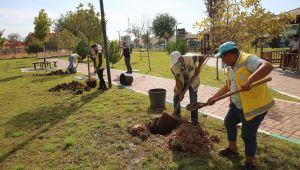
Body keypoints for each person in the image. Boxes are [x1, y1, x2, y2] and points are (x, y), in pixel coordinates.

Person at [207, 42, 274, 169]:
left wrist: (249, 81)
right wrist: (214, 98)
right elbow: (228, 85)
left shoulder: (247, 59)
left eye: (223, 57)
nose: (222, 60)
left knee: (247, 135)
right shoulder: (230, 67)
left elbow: (268, 66)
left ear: (231, 55)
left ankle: (250, 163)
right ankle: (233, 149)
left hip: (254, 106)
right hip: (238, 105)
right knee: (229, 122)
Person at [170, 51, 204, 126]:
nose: (177, 63)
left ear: (181, 57)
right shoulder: (173, 67)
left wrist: (198, 68)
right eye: (175, 62)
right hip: (182, 82)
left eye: (178, 60)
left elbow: (202, 57)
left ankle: (194, 120)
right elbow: (178, 80)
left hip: (193, 81)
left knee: (193, 100)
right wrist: (181, 93)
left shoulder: (191, 58)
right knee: (176, 97)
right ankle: (177, 115)